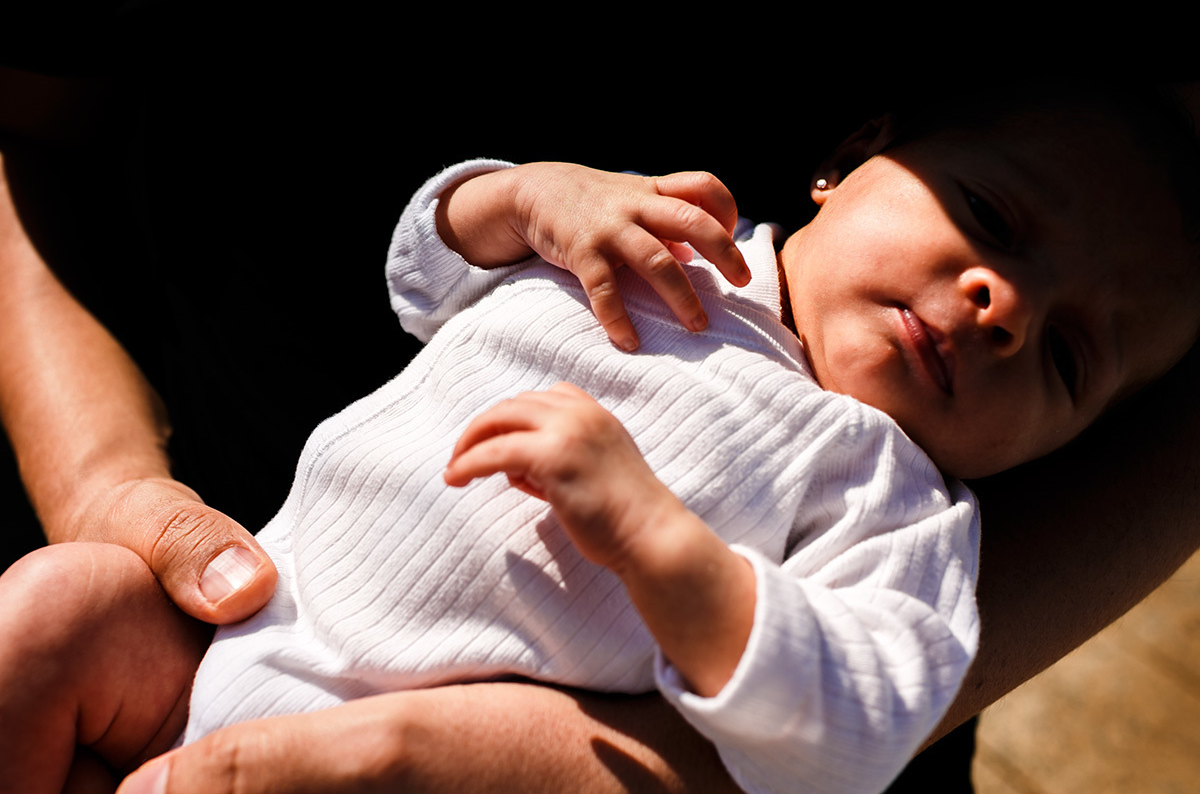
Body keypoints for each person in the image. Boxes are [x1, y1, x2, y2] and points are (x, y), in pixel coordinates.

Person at [3, 77, 1199, 793]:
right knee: (51, 607)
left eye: (1067, 356)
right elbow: (424, 276)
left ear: (1067, 442)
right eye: (990, 216)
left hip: (461, 771)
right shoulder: (662, 245)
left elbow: (860, 719)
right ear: (846, 161)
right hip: (228, 628)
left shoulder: (898, 503)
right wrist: (514, 198)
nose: (1007, 306)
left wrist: (669, 552)